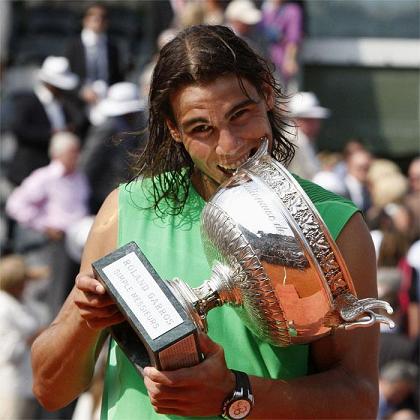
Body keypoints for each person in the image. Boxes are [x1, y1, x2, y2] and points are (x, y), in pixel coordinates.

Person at [32, 25, 380, 419]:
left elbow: (359, 400)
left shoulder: (336, 227)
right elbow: (49, 390)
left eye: (241, 114)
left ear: (268, 94)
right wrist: (84, 319)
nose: (229, 146)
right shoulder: (124, 211)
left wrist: (236, 395)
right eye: (202, 129)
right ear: (173, 130)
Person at [6, 131, 90, 319]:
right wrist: (44, 225)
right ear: (58, 153)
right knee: (56, 291)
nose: (77, 156)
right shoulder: (44, 177)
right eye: (72, 152)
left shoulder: (78, 176)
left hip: (79, 238)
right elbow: (15, 204)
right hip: (56, 241)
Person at [80, 81, 146, 213]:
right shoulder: (108, 127)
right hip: (105, 193)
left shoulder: (134, 125)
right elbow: (89, 160)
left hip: (125, 190)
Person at [0, 255, 45, 420]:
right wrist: (34, 337)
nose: (27, 284)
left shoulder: (24, 300)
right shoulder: (3, 308)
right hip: (10, 386)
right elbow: (7, 353)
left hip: (28, 384)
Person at [65, 2, 124, 120]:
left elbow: (117, 76)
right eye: (93, 16)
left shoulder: (112, 46)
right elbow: (67, 75)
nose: (98, 20)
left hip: (106, 101)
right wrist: (82, 91)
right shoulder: (74, 46)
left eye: (102, 17)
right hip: (80, 102)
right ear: (85, 20)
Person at [261, 0, 303, 92]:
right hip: (267, 63)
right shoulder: (264, 9)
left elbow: (293, 39)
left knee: (287, 94)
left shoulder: (292, 10)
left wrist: (290, 60)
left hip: (284, 63)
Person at [287, 91, 330, 180]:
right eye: (309, 120)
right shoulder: (289, 140)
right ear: (296, 119)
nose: (316, 124)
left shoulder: (307, 140)